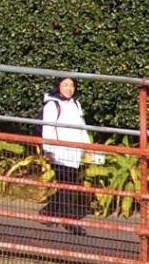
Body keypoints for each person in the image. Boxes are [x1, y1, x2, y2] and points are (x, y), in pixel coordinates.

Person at [39, 76, 102, 235]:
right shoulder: (52, 105)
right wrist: (48, 150)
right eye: (65, 85)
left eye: (72, 85)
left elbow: (82, 127)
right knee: (68, 186)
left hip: (74, 153)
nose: (69, 88)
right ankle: (71, 222)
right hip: (59, 153)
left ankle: (49, 211)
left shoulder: (75, 103)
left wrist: (87, 146)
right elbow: (48, 129)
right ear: (58, 86)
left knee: (67, 185)